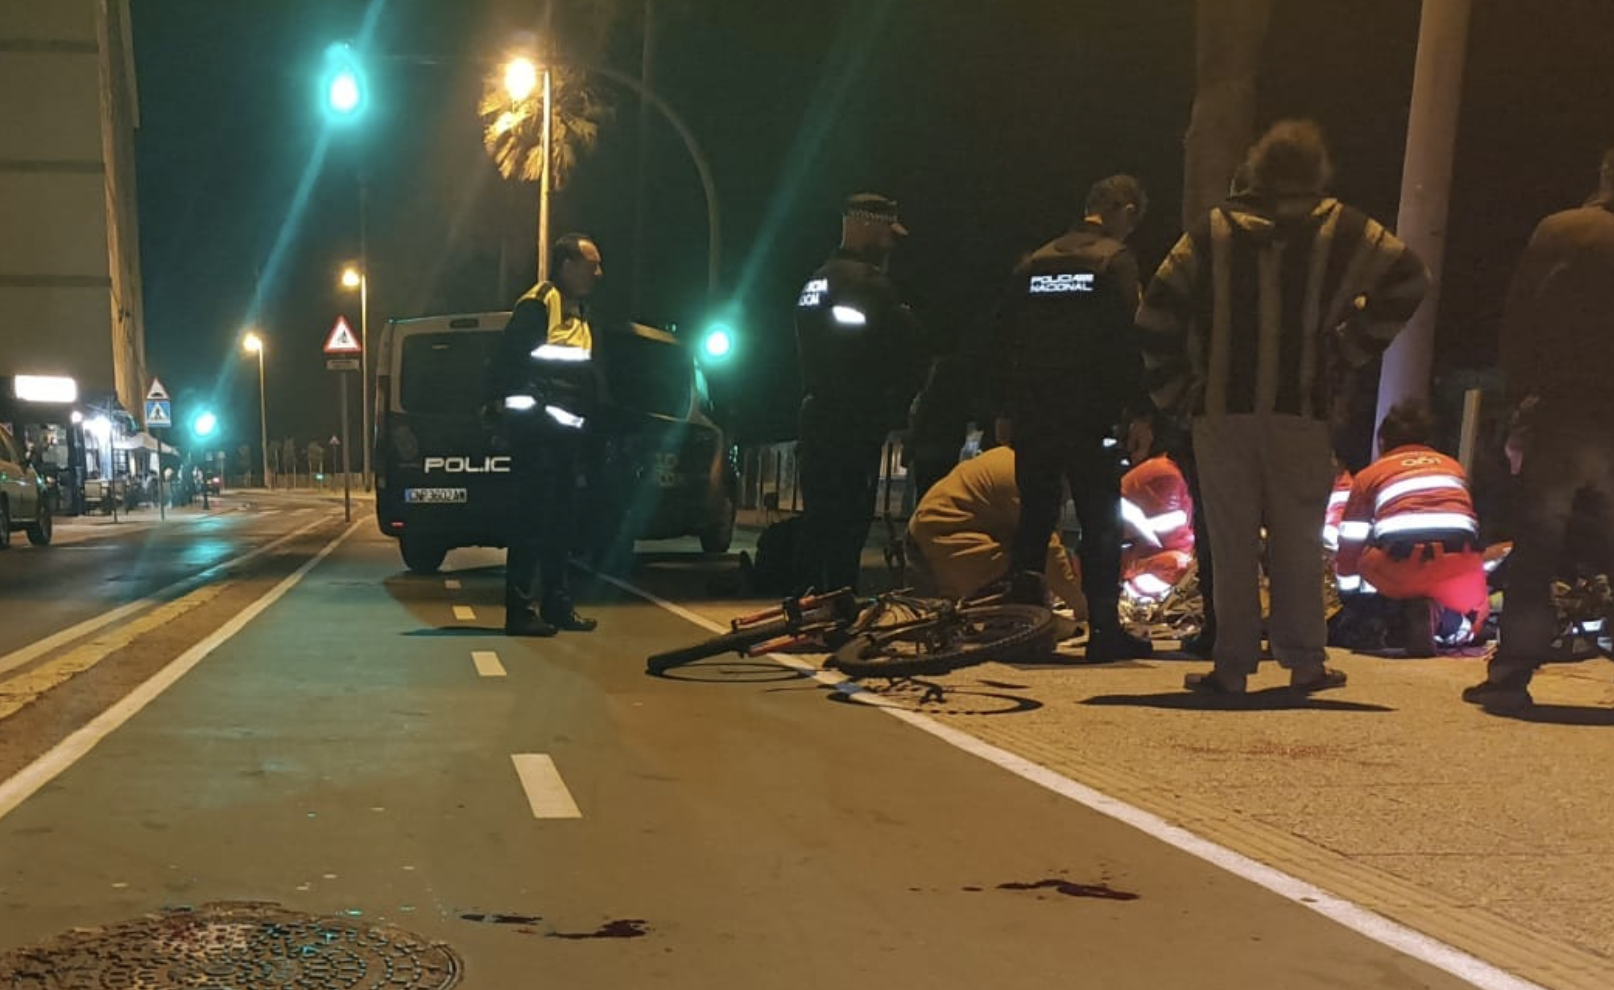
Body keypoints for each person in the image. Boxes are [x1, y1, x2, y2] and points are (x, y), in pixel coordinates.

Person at [1137, 119, 1430, 695]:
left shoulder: (1213, 231)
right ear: (1317, 170)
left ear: (1255, 167)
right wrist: (1347, 347)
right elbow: (1409, 278)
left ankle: (1232, 666)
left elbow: (1154, 316)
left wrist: (1176, 393)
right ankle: (1305, 663)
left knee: (1232, 539)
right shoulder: (1344, 228)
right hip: (1302, 411)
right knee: (1298, 538)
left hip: (1223, 411)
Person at [1464, 149, 1614, 711]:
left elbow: (1521, 322)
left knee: (1538, 546)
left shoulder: (1562, 231)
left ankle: (1512, 672)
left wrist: (1518, 404)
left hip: (1562, 411)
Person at [995, 175, 1153, 662]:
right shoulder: (1114, 261)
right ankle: (1104, 631)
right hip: (1091, 415)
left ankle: (1020, 628)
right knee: (1099, 522)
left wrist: (1005, 409)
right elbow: (1135, 340)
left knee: (1034, 520)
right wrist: (1141, 411)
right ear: (1123, 211)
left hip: (1035, 413)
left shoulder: (1034, 262)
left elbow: (1007, 340)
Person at [792, 192, 923, 594]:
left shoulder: (815, 279)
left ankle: (814, 603)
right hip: (852, 420)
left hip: (815, 415)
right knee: (848, 522)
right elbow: (894, 351)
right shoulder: (867, 284)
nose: (890, 243)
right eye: (885, 232)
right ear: (864, 224)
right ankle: (838, 609)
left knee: (819, 519)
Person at [486, 233, 604, 637]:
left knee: (561, 526)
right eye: (592, 265)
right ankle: (519, 611)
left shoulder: (578, 311)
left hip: (564, 439)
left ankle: (557, 605)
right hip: (536, 436)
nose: (598, 273)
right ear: (567, 266)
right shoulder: (541, 304)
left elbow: (580, 377)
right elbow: (507, 362)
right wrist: (524, 411)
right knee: (530, 524)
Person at [1333, 402, 1488, 655]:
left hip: (1402, 565)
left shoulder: (1371, 475)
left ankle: (1395, 616)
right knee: (1470, 621)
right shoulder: (1453, 467)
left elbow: (1350, 544)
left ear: (1383, 441)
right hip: (1458, 563)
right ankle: (1450, 624)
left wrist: (1352, 599)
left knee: (1366, 557)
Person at [906, 446, 1087, 618]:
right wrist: (1083, 607)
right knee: (1019, 584)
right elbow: (1048, 549)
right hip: (941, 539)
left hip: (936, 535)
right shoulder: (1026, 475)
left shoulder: (1018, 459)